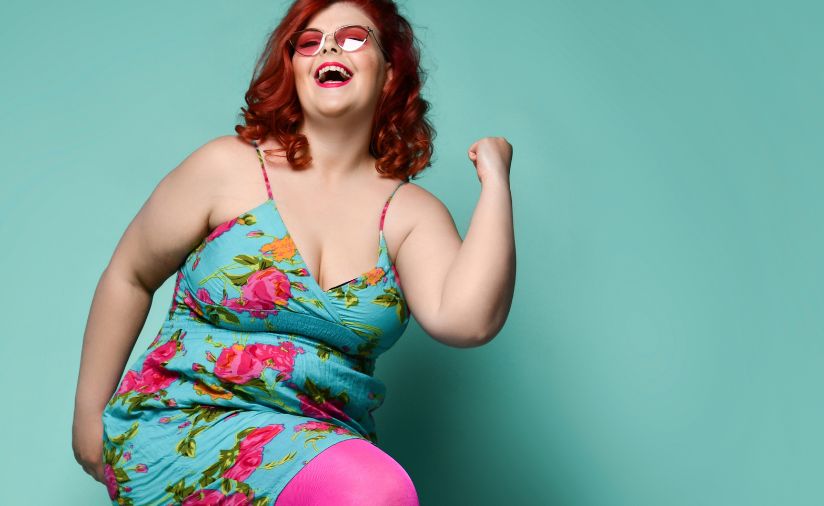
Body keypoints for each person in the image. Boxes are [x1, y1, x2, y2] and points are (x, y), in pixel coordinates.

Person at [71, 0, 515, 503]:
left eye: (352, 37)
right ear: (295, 69)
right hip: (184, 425)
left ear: (390, 73)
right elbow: (128, 276)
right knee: (375, 490)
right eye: (309, 41)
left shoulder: (412, 213)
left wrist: (496, 181)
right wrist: (88, 418)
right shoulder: (225, 168)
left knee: (372, 490)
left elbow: (467, 320)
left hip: (319, 449)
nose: (327, 45)